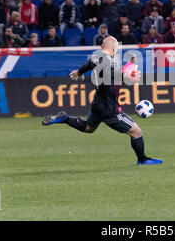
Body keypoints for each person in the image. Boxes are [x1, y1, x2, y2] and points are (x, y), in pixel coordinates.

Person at [42, 36, 163, 165]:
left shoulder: (97, 57)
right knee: (136, 131)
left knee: (89, 128)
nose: (117, 50)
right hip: (109, 108)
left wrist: (79, 72)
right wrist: (126, 75)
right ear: (113, 47)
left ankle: (64, 118)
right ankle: (142, 159)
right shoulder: (108, 61)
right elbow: (109, 73)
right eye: (116, 48)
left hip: (98, 103)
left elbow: (88, 65)